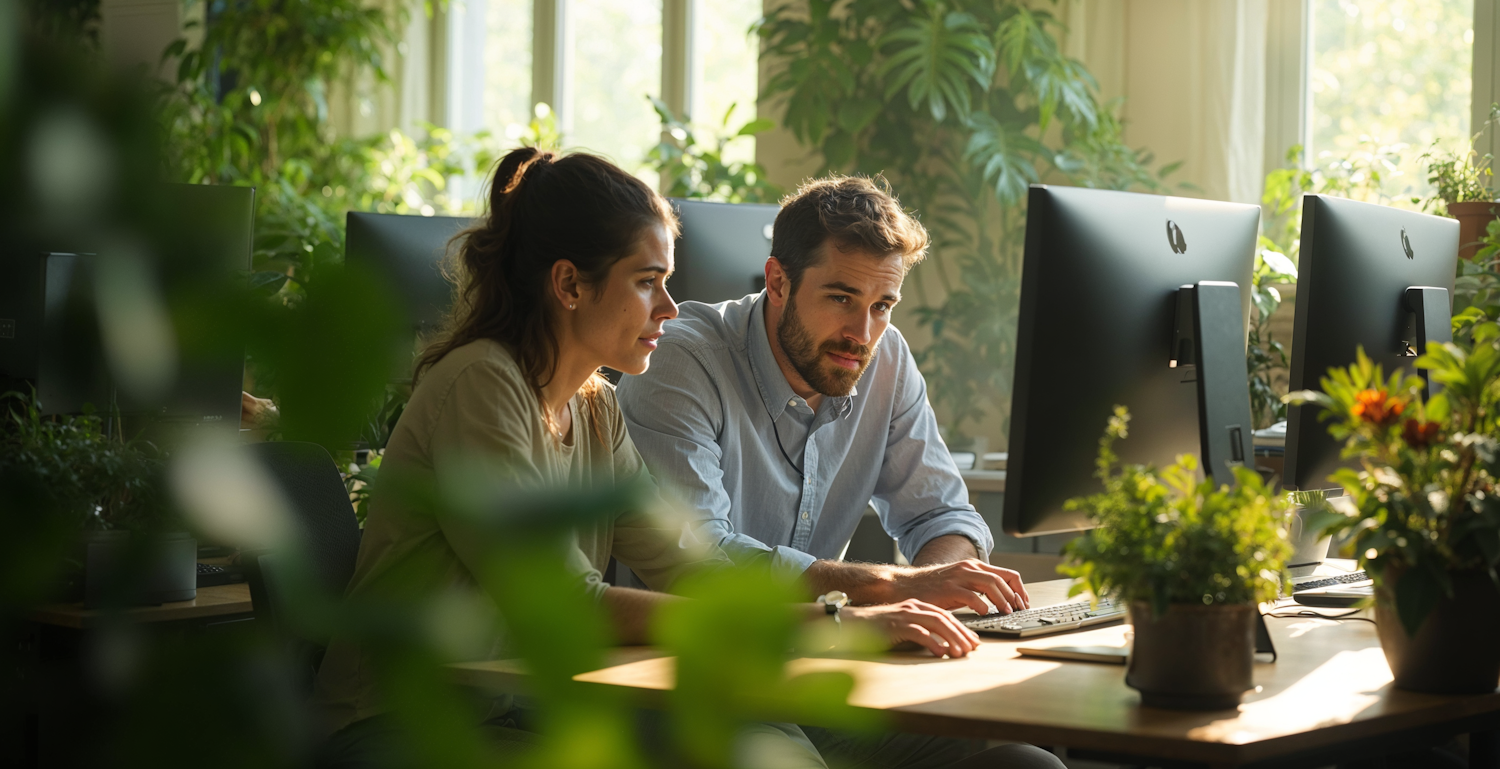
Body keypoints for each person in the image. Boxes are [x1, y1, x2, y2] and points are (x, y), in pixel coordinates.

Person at [313, 149, 1059, 769]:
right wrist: (843, 620)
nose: (669, 310)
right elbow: (568, 602)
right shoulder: (483, 383)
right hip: (411, 725)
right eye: (648, 284)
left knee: (1015, 758)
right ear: (569, 284)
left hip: (530, 708)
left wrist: (864, 608)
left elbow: (696, 564)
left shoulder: (596, 406)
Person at [616, 175, 1033, 618]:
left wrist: (931, 593)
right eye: (840, 298)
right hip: (681, 662)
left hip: (822, 646)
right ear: (777, 283)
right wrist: (890, 586)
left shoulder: (885, 356)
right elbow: (700, 560)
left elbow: (942, 516)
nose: (862, 334)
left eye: (882, 306)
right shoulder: (681, 361)